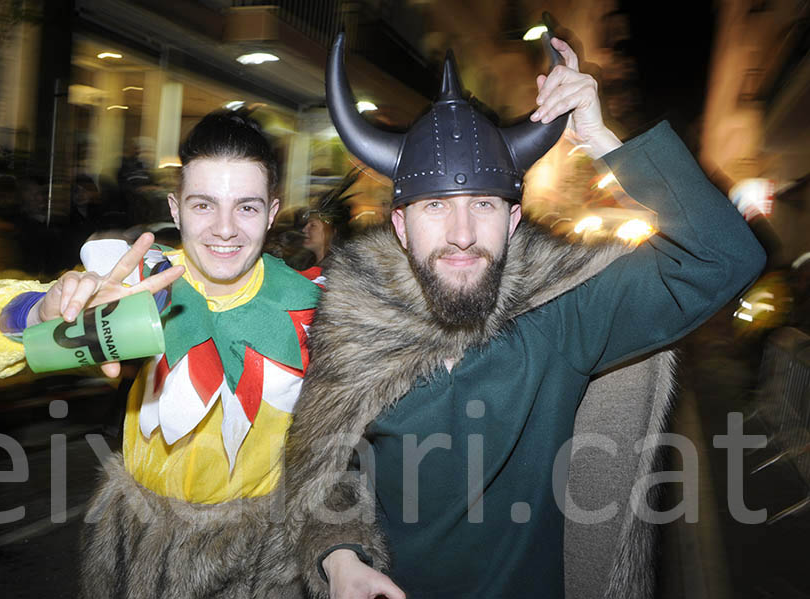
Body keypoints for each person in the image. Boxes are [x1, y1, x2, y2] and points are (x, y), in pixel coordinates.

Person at [278, 31, 766, 599]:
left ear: (511, 222)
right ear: (402, 226)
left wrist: (603, 139)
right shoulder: (356, 326)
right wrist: (340, 555)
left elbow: (726, 255)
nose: (462, 236)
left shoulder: (562, 318)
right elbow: (330, 468)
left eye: (484, 204)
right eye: (435, 205)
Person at [0, 111, 320, 598]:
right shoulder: (136, 284)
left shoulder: (314, 307)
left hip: (268, 565)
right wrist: (39, 312)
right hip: (142, 560)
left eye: (246, 207)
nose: (224, 229)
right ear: (176, 210)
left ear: (272, 209)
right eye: (204, 205)